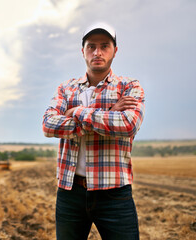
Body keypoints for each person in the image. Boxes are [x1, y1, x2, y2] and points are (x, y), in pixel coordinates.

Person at [42, 22, 145, 240]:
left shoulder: (129, 86)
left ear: (115, 51)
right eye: (91, 46)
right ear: (83, 51)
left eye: (104, 46)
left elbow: (127, 125)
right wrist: (108, 113)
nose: (97, 52)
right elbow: (48, 125)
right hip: (70, 193)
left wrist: (76, 111)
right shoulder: (66, 88)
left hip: (114, 192)